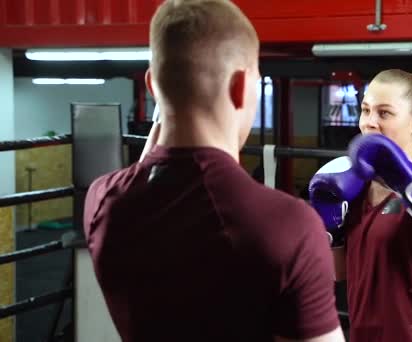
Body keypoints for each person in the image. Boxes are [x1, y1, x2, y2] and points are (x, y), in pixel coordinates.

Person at [83, 1, 344, 341]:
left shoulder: (102, 200)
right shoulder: (288, 224)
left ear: (152, 85)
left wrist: (171, 101)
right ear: (240, 87)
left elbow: (148, 176)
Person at [309, 69, 412, 341]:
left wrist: (411, 187)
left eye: (384, 113)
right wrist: (331, 227)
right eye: (365, 110)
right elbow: (339, 273)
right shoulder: (355, 180)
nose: (370, 123)